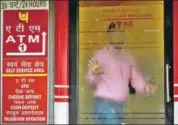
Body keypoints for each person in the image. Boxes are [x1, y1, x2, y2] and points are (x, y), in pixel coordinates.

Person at [86, 40, 157, 124]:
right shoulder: (100, 55)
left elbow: (134, 77)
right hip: (104, 103)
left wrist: (145, 87)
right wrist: (95, 74)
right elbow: (90, 81)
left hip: (120, 104)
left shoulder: (128, 57)